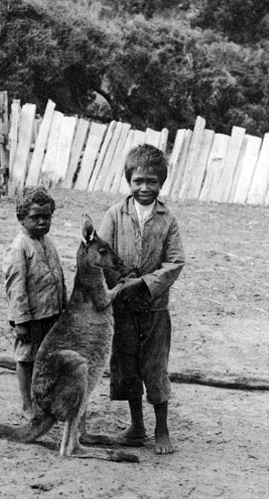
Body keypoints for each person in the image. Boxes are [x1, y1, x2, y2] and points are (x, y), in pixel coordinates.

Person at [98, 144, 185, 454]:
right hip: (122, 308)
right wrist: (120, 288)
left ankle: (162, 428)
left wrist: (145, 285)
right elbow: (101, 254)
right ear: (128, 181)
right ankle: (137, 426)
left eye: (152, 181)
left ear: (161, 182)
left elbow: (175, 262)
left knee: (154, 366)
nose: (145, 188)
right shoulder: (114, 215)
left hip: (154, 309)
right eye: (138, 181)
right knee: (126, 365)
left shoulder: (167, 220)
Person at [3, 186, 67, 414]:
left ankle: (45, 399)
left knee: (48, 356)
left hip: (52, 313)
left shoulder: (47, 242)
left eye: (46, 217)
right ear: (21, 218)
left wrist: (63, 308)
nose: (42, 222)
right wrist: (20, 321)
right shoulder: (19, 248)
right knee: (27, 357)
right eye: (35, 217)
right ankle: (27, 404)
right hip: (32, 317)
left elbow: (58, 275)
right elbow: (16, 288)